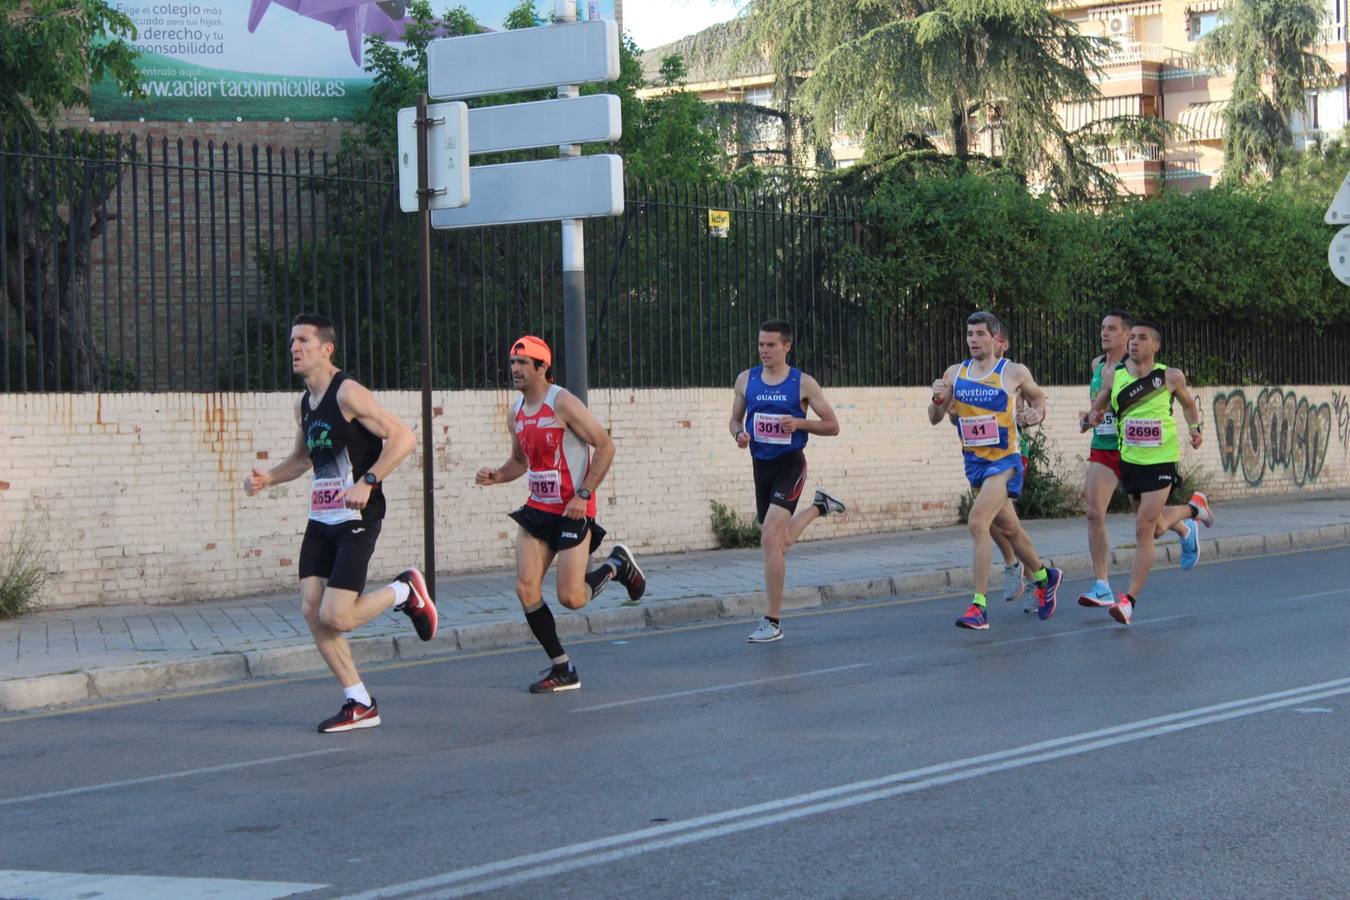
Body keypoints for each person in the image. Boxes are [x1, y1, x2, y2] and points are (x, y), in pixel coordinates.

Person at [244, 313, 436, 734]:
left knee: (339, 617)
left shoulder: (347, 393)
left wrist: (370, 480)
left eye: (304, 341)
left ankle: (404, 591)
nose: (294, 348)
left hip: (356, 518)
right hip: (321, 519)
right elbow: (302, 460)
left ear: (326, 349)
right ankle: (360, 701)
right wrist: (268, 479)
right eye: (292, 341)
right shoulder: (306, 404)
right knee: (313, 612)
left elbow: (403, 437)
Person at [475, 335, 645, 692]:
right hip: (538, 509)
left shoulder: (563, 402)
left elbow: (605, 445)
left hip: (572, 509)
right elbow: (520, 462)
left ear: (543, 367)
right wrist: (498, 475)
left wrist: (584, 493)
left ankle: (616, 565)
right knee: (525, 588)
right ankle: (562, 667)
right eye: (512, 363)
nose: (515, 370)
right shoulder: (516, 412)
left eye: (523, 363)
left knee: (572, 598)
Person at [929, 311, 1063, 630]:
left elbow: (1039, 398)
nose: (973, 340)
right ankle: (1045, 576)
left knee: (978, 523)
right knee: (1010, 530)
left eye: (979, 334)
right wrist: (937, 398)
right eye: (969, 334)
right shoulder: (955, 373)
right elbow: (937, 417)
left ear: (994, 338)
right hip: (975, 463)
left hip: (1005, 462)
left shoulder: (1013, 372)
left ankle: (979, 606)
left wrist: (1037, 414)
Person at [1088, 320, 1213, 625]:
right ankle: (1193, 510)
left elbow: (1188, 405)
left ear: (1155, 346)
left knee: (1143, 528)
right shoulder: (1114, 375)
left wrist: (1195, 429)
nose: (1134, 342)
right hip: (1130, 460)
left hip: (1161, 460)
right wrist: (1091, 417)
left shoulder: (1169, 376)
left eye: (1142, 338)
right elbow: (1100, 403)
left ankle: (1128, 601)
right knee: (1155, 528)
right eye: (1132, 338)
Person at [729, 320, 845, 643]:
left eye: (771, 345)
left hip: (790, 465)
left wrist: (798, 422)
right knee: (778, 544)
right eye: (761, 344)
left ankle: (772, 621)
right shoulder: (746, 379)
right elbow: (735, 419)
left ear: (787, 347)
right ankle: (819, 507)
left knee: (769, 538)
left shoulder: (802, 384)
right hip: (761, 466)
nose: (764, 351)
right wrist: (739, 435)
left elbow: (833, 425)